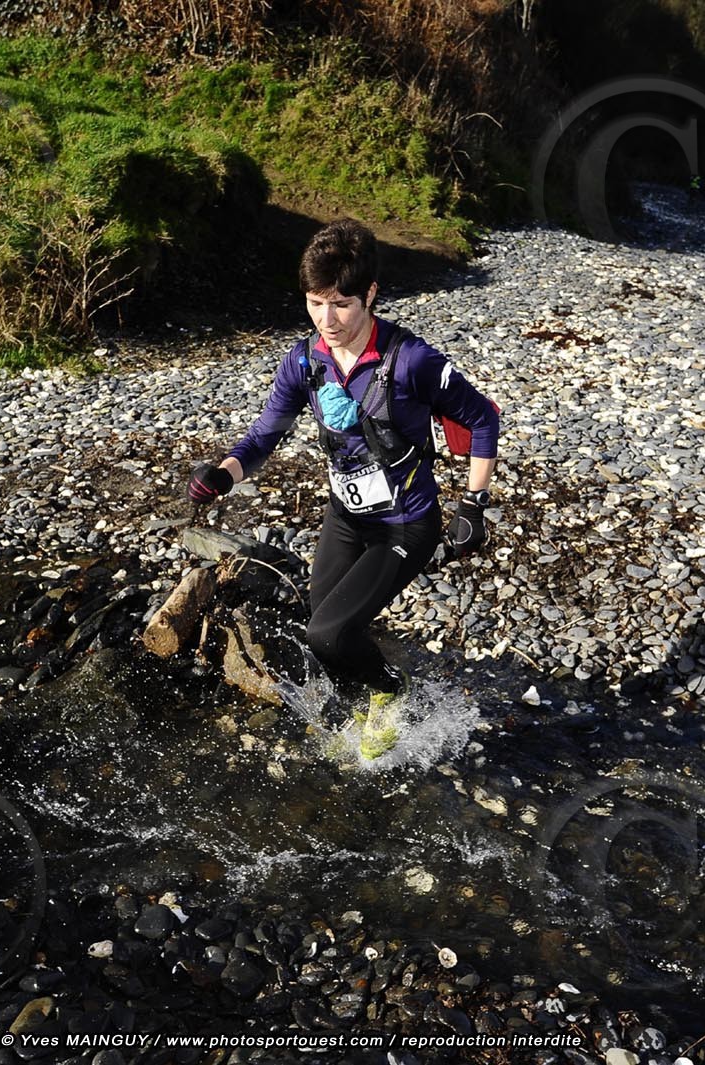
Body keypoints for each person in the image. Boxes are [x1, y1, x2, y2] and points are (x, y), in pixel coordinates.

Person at [186, 218, 501, 756]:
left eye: (341, 305)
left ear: (370, 294)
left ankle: (394, 693)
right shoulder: (304, 362)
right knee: (325, 630)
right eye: (315, 303)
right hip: (346, 517)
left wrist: (473, 504)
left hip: (405, 523)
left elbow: (483, 418)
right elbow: (264, 436)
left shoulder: (413, 360)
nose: (326, 320)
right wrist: (223, 475)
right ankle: (365, 714)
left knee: (328, 635)